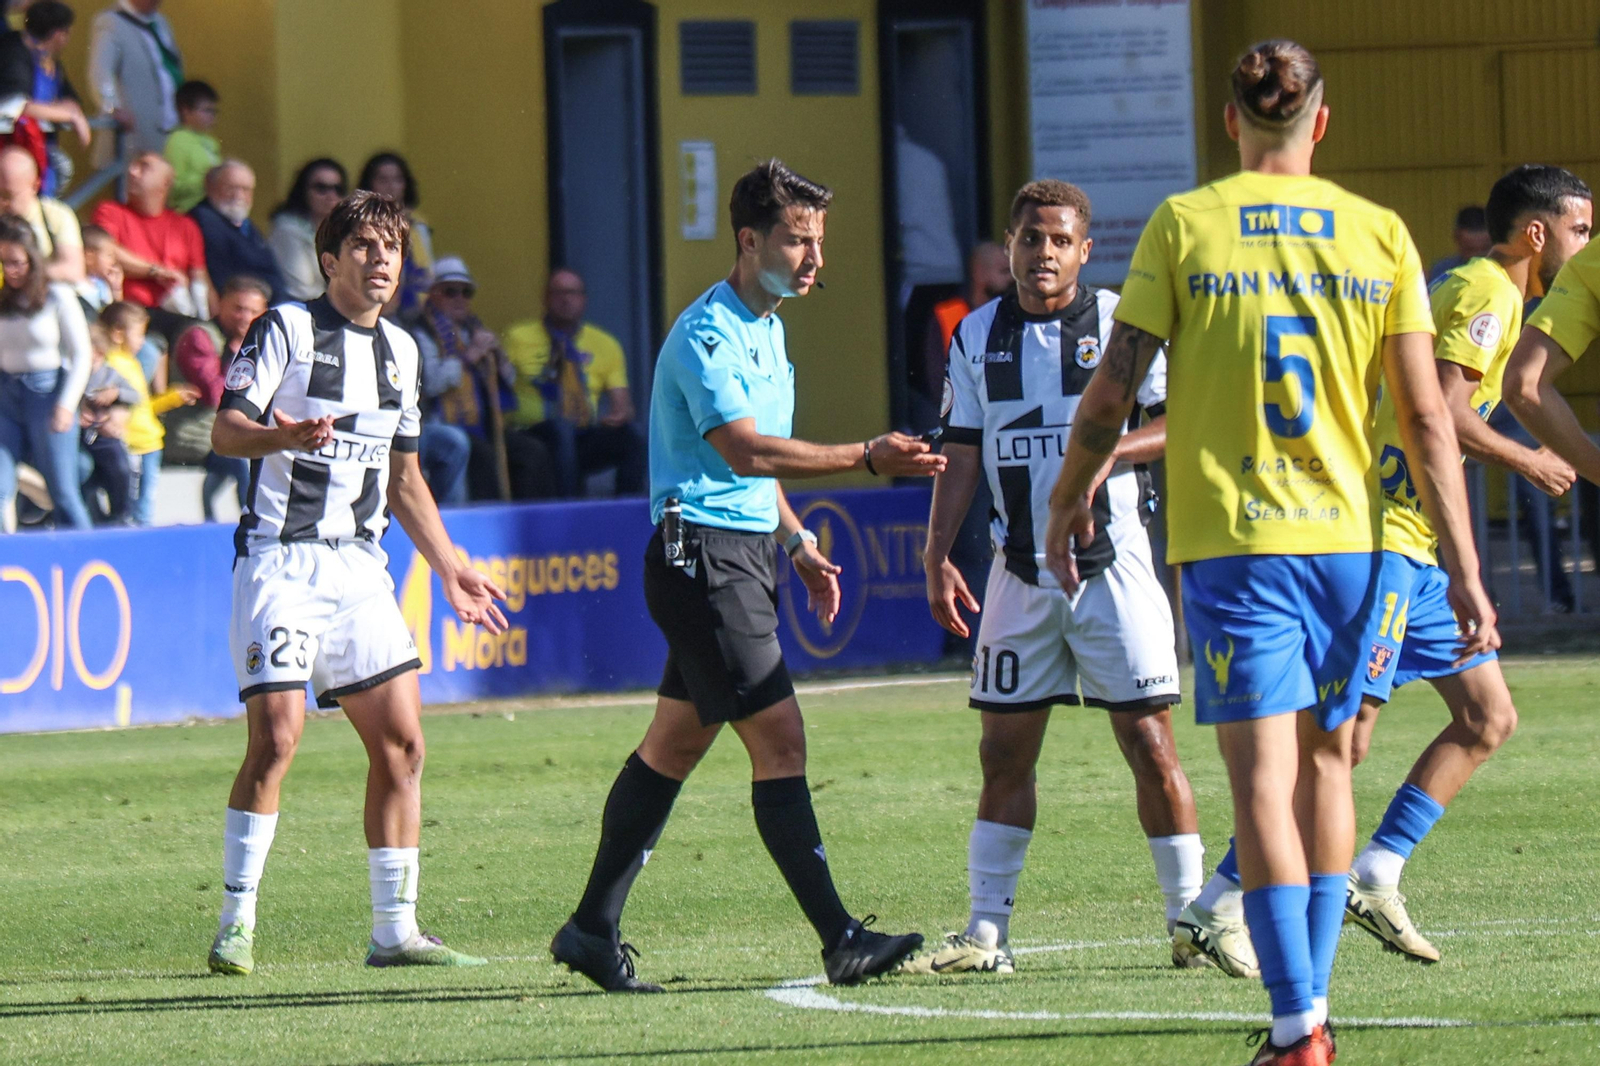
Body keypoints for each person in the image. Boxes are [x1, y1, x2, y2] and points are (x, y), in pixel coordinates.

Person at [1042, 41, 1495, 1065]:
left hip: (1237, 544)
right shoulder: (1377, 232)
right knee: (1330, 766)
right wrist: (1465, 567)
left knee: (1262, 783)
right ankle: (1312, 1011)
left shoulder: (1184, 224)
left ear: (1227, 122)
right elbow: (1428, 420)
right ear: (1319, 123)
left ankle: (1298, 1026)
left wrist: (1065, 499)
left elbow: (1111, 391)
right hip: (1355, 545)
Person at [550, 159, 941, 993]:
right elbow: (745, 450)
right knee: (781, 739)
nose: (813, 259)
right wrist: (867, 456)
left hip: (739, 552)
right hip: (703, 558)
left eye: (818, 243)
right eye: (799, 241)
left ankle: (590, 929)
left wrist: (797, 545)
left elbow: (755, 477)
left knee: (673, 746)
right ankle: (840, 938)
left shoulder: (769, 329)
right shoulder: (707, 335)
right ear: (749, 240)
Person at [902, 179, 1210, 977]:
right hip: (1018, 571)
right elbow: (963, 450)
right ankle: (985, 932)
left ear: (1084, 250)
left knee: (1149, 740)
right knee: (1002, 752)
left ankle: (1190, 923)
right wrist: (938, 556)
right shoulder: (974, 335)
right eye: (1030, 239)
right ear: (1009, 246)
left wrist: (1110, 452)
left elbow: (1184, 422)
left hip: (1117, 569)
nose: (1043, 254)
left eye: (1059, 241)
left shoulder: (1120, 325)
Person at [206, 191, 504, 976]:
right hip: (280, 557)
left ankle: (395, 931)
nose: (381, 261)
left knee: (403, 746)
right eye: (365, 247)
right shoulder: (286, 329)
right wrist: (282, 435)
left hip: (361, 568)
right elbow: (224, 430)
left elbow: (405, 478)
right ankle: (236, 921)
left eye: (392, 249)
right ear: (330, 260)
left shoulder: (403, 354)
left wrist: (450, 567)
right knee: (276, 739)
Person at [1337, 165, 1591, 963]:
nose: (1589, 246)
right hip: (1384, 536)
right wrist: (1529, 458)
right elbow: (1440, 413)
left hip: (1418, 541)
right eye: (1582, 230)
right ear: (1538, 234)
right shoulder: (1488, 289)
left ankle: (1375, 872)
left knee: (1489, 718)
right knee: (1345, 734)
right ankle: (1227, 897)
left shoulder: (1488, 291)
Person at [410, 257, 549, 501]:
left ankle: (531, 520)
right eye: (450, 292)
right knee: (484, 456)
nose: (460, 299)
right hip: (443, 423)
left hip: (484, 425)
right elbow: (429, 384)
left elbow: (509, 380)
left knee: (532, 451)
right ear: (433, 294)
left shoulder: (474, 330)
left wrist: (498, 357)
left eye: (466, 292)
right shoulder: (421, 332)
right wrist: (467, 358)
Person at [503, 268, 646, 497]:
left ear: (584, 300)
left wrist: (618, 415)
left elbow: (623, 404)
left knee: (633, 435)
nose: (566, 299)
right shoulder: (518, 337)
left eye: (573, 293)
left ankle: (627, 508)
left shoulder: (605, 343)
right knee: (561, 428)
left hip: (582, 434)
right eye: (558, 293)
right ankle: (569, 508)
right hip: (535, 434)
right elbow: (500, 383)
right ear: (546, 298)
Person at [0, 214, 92, 531]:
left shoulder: (56, 295)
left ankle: (88, 559)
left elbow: (82, 354)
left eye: (15, 261)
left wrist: (66, 404)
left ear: (32, 259)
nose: (9, 271)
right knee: (0, 484)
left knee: (62, 490)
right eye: (2, 262)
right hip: (5, 394)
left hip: (47, 392)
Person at [167, 273, 266, 520]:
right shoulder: (200, 336)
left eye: (253, 311)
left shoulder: (259, 343)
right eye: (238, 309)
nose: (245, 317)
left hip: (221, 437)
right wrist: (234, 354)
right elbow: (216, 395)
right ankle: (252, 522)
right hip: (193, 435)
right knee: (245, 456)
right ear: (220, 304)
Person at [98, 298, 195, 524]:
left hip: (149, 443)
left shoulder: (131, 363)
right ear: (118, 334)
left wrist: (171, 398)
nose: (142, 342)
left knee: (144, 503)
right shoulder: (111, 365)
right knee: (134, 505)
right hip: (133, 445)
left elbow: (142, 406)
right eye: (139, 335)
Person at [90, 151, 210, 318]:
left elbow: (200, 280)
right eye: (132, 166)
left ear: (165, 183)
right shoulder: (109, 212)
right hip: (129, 313)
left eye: (143, 167)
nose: (132, 172)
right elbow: (108, 253)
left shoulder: (186, 226)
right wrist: (156, 271)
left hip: (176, 313)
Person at [0, 0, 90, 196]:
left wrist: (72, 110)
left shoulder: (50, 62)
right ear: (59, 34)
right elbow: (17, 104)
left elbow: (69, 97)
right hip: (12, 151)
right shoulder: (14, 51)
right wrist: (71, 116)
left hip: (39, 152)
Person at [88, 0, 183, 157]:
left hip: (171, 130)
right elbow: (101, 71)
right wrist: (112, 107)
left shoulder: (160, 22)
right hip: (135, 133)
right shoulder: (111, 22)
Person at [190, 160, 284, 300]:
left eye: (245, 189)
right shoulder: (203, 220)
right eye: (231, 188)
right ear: (210, 187)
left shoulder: (244, 224)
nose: (238, 195)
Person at [357, 151, 432, 317]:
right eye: (383, 180)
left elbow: (428, 267)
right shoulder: (359, 224)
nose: (390, 186)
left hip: (418, 308)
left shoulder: (418, 224)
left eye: (397, 179)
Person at [0, 144, 82, 283]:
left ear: (35, 186)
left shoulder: (57, 216)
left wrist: (26, 273)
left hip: (40, 295)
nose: (1, 202)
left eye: (8, 196)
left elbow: (73, 270)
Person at [270, 157, 344, 302]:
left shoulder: (344, 231)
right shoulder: (287, 229)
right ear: (303, 190)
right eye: (321, 188)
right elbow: (301, 290)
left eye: (338, 189)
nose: (331, 196)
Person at [163, 79, 220, 213]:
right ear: (186, 111)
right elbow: (172, 186)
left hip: (211, 207)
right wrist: (205, 181)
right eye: (207, 111)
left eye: (214, 112)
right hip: (188, 211)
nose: (212, 117)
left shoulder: (210, 142)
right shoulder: (177, 140)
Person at [1427, 205, 1491, 283]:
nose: (1477, 257)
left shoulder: (1507, 271)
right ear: (1457, 239)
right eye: (1470, 250)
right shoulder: (1443, 273)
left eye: (1485, 249)